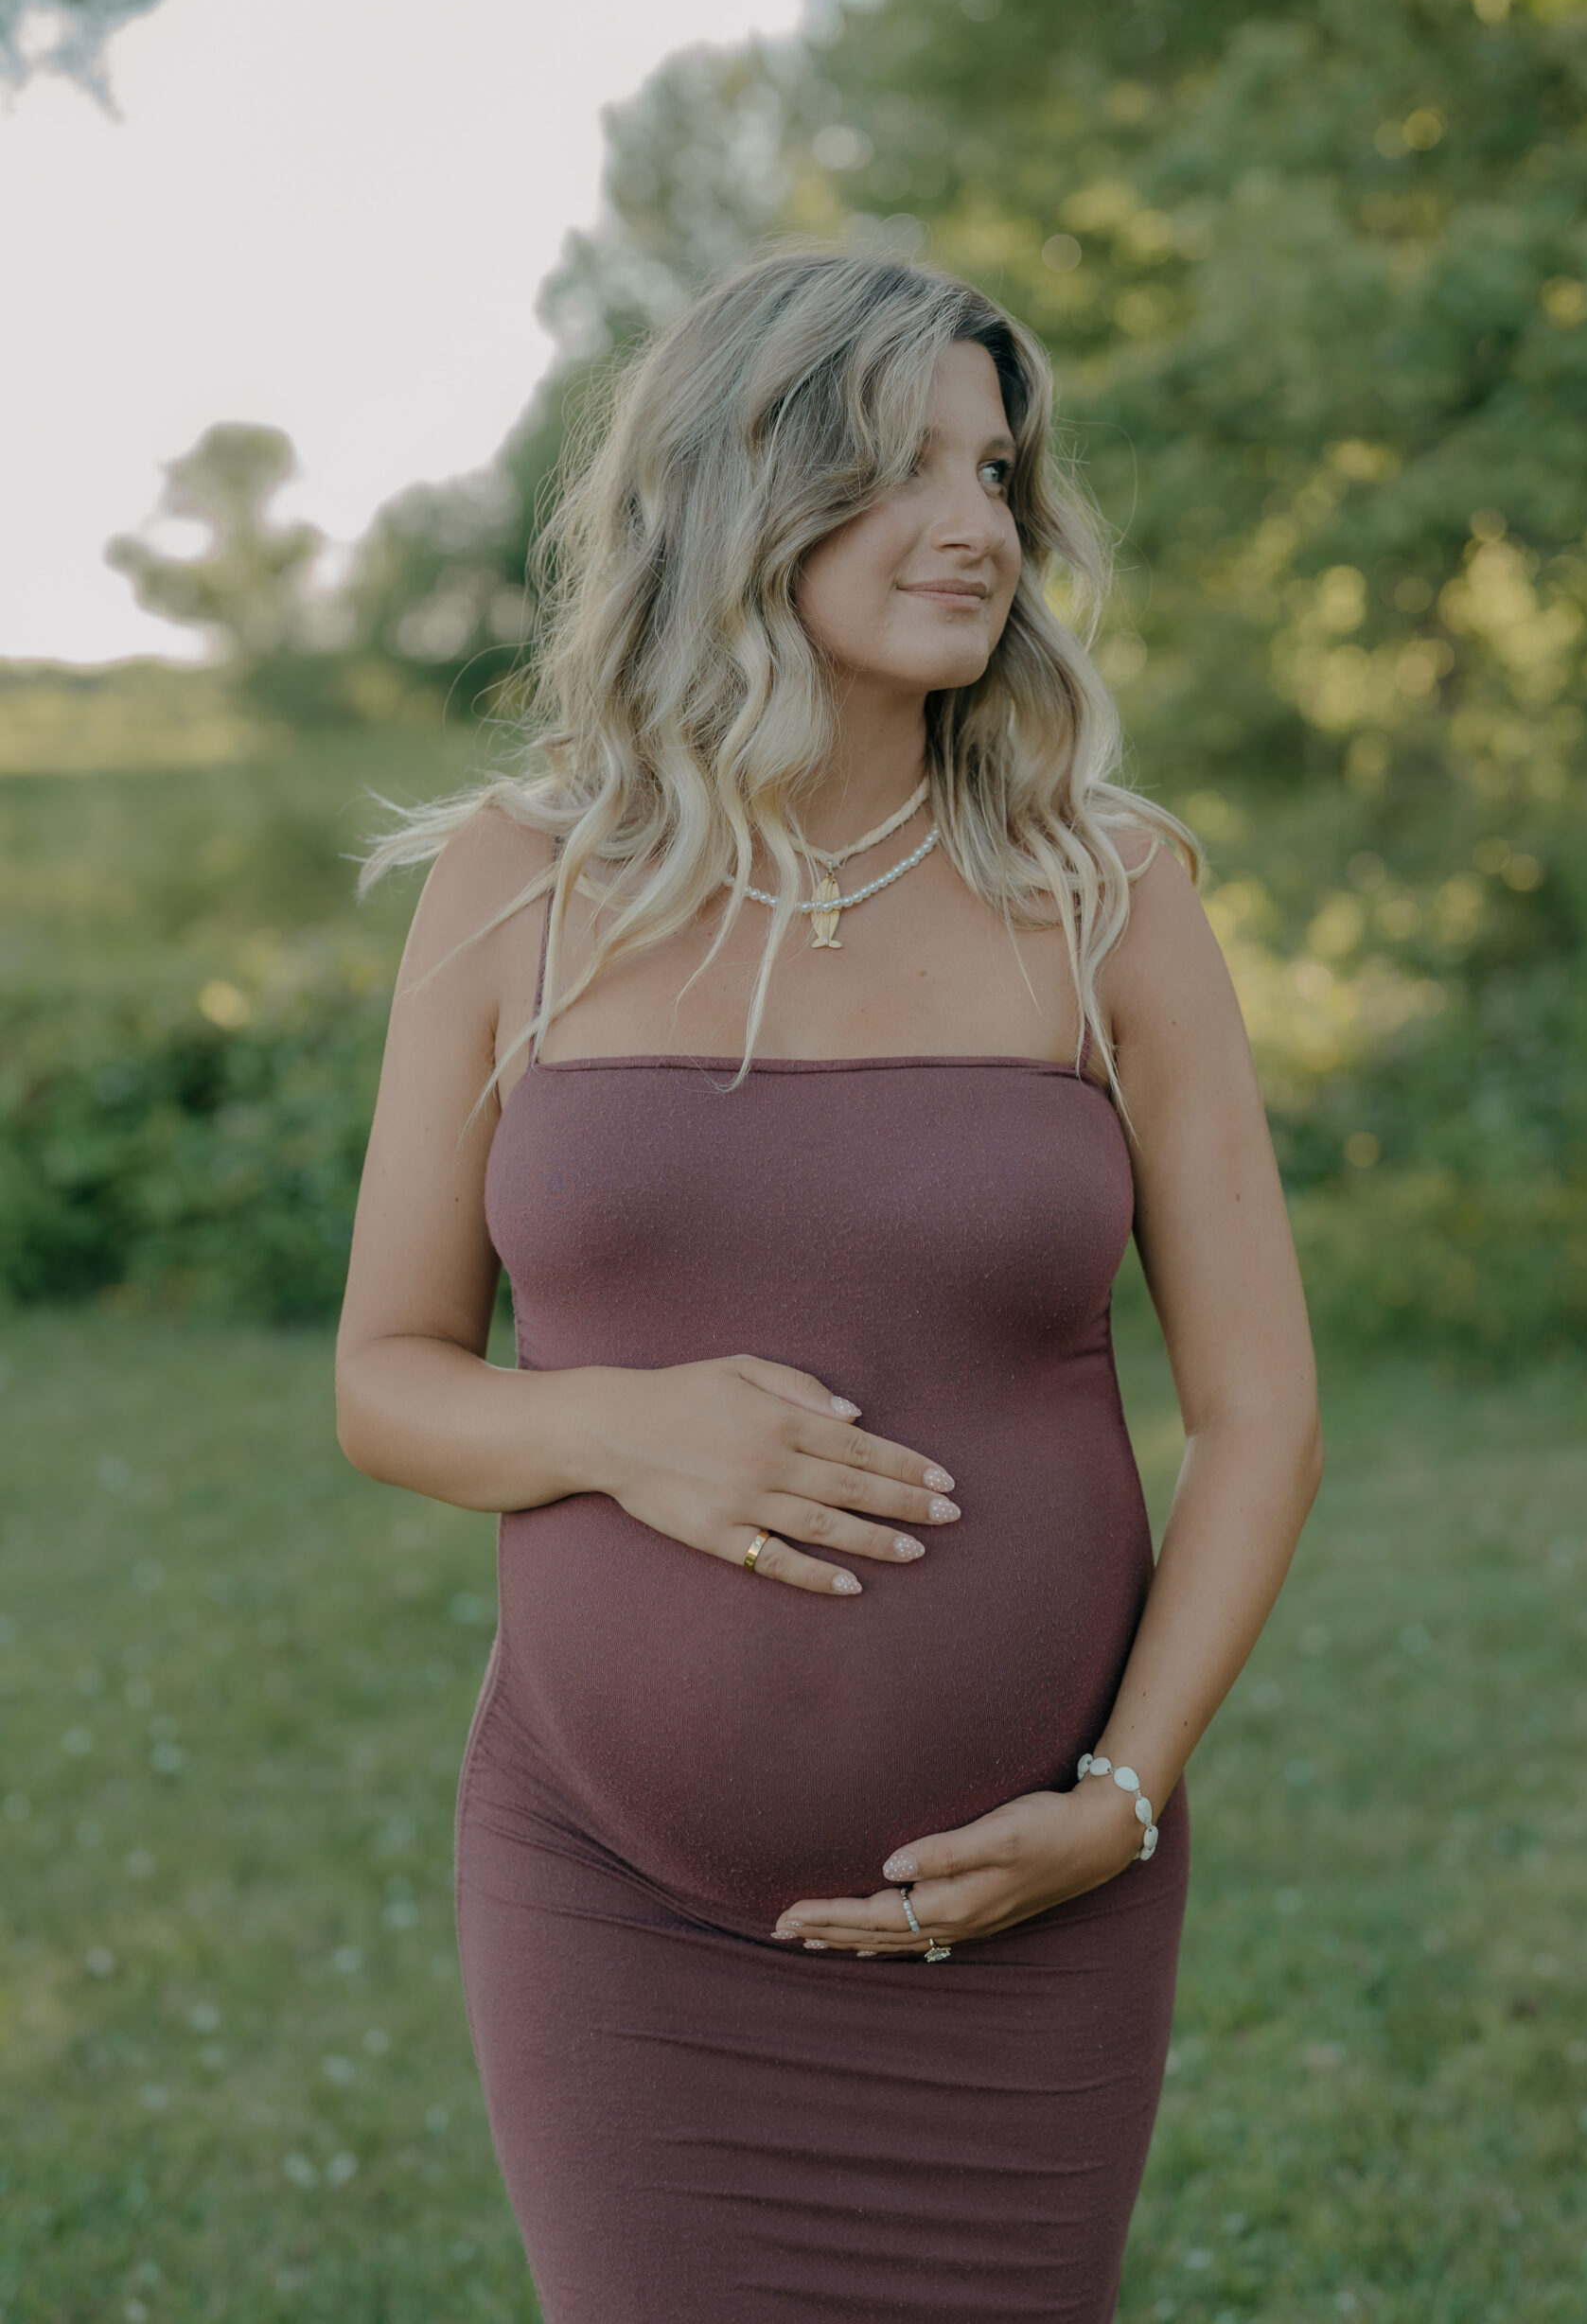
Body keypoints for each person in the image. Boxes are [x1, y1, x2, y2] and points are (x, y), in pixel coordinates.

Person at [334, 247, 1322, 2324]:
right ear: (737, 492)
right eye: (907, 470)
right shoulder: (516, 883)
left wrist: (1117, 1801)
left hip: (1028, 1898)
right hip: (613, 1895)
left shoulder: (1103, 887)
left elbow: (1258, 1416)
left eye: (995, 471)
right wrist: (613, 1419)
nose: (979, 525)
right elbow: (387, 1376)